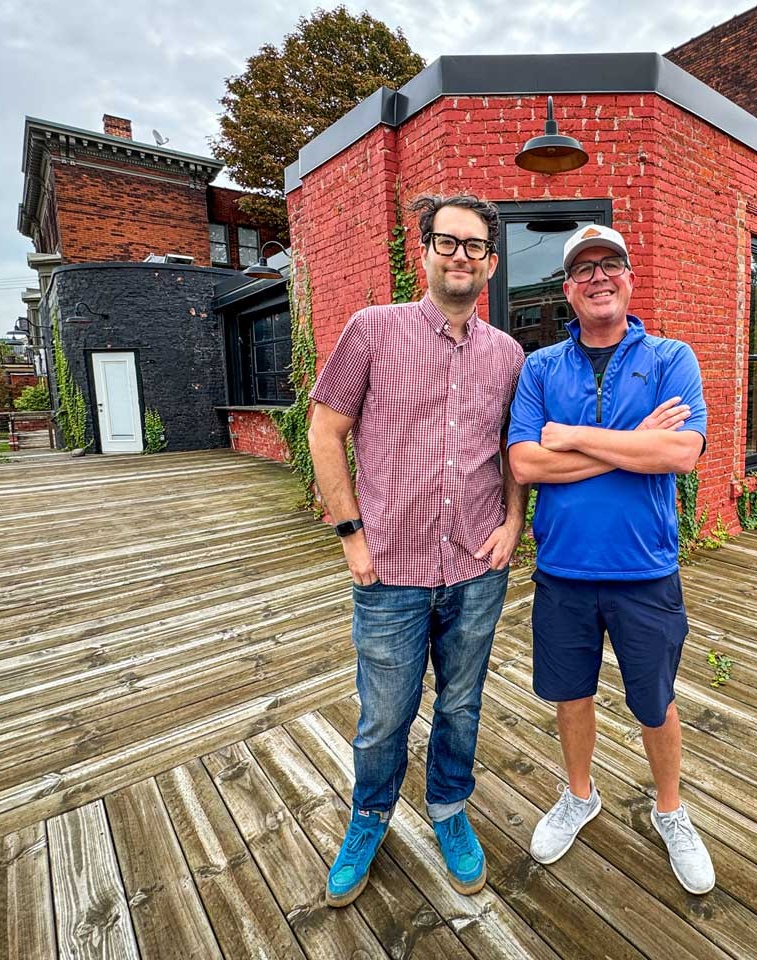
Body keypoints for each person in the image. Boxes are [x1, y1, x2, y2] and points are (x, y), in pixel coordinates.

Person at [307, 192, 526, 907]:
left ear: (490, 263)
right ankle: (368, 817)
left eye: (473, 246)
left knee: (461, 705)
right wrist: (351, 536)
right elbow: (323, 431)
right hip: (389, 570)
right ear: (424, 250)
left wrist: (513, 523)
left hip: (474, 569)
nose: (459, 254)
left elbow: (512, 451)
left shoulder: (509, 355)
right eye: (446, 241)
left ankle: (449, 808)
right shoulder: (371, 330)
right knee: (383, 716)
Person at [507, 223, 715, 894]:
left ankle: (671, 811)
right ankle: (579, 795)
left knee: (654, 701)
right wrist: (628, 442)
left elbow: (681, 454)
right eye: (583, 269)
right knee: (571, 696)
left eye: (611, 265)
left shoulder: (671, 357)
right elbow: (523, 462)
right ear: (567, 288)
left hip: (645, 572)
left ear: (629, 278)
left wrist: (569, 439)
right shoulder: (539, 369)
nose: (598, 276)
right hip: (563, 572)